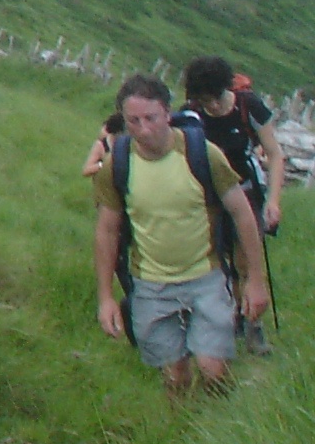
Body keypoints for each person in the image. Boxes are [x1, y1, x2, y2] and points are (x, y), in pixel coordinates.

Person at [92, 73, 271, 397]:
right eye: (133, 121)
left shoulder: (203, 155)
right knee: (175, 376)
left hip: (206, 276)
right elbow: (107, 231)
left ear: (167, 112)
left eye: (151, 118)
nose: (144, 129)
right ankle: (182, 421)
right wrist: (105, 297)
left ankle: (220, 418)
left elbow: (243, 214)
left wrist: (255, 280)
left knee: (213, 369)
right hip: (150, 283)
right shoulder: (116, 165)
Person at [184, 58, 281, 352]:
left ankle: (253, 324)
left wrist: (273, 201)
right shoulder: (192, 114)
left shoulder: (248, 106)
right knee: (216, 261)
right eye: (206, 100)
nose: (213, 105)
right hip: (209, 195)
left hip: (247, 191)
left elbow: (275, 154)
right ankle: (231, 315)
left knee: (246, 259)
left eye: (216, 97)